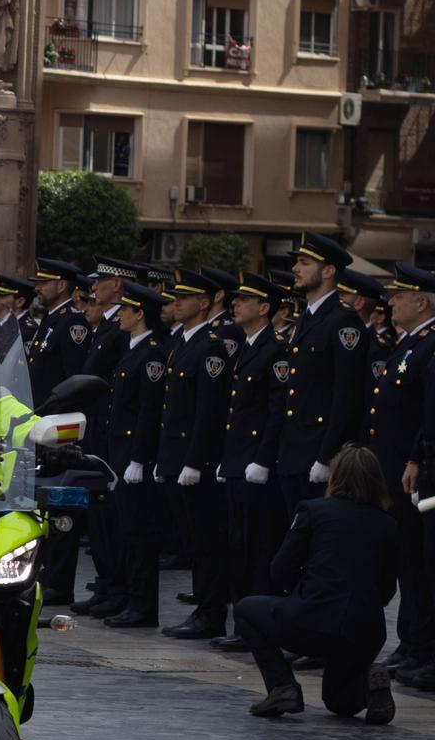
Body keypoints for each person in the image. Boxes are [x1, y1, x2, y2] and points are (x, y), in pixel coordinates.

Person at [236, 446, 398, 722]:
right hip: (363, 632)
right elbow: (386, 590)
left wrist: (300, 592)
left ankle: (282, 687)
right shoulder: (388, 524)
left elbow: (279, 569)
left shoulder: (314, 510)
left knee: (246, 609)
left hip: (311, 618)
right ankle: (369, 686)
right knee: (340, 704)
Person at [208, 273, 288, 648]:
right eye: (236, 299)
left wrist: (262, 460)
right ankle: (243, 623)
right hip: (239, 460)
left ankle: (254, 627)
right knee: (238, 545)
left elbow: (275, 413)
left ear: (264, 308)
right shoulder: (249, 345)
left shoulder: (274, 350)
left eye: (245, 300)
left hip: (256, 466)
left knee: (257, 548)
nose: (236, 304)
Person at [152, 271, 232, 640]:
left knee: (206, 541)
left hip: (193, 460)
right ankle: (204, 606)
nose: (176, 303)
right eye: (175, 298)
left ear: (204, 303)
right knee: (193, 540)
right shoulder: (181, 343)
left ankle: (210, 612)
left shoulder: (211, 346)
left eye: (185, 298)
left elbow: (208, 411)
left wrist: (194, 461)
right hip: (175, 455)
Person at [367, 265, 435, 683]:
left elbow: (425, 416)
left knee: (420, 562)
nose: (390, 302)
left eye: (400, 295)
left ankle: (422, 646)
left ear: (422, 302)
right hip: (397, 468)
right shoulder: (409, 345)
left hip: (417, 471)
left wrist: (416, 459)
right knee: (409, 561)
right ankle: (411, 643)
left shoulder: (427, 346)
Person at [274, 233, 368, 513]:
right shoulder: (307, 318)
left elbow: (346, 394)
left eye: (304, 262)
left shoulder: (343, 321)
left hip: (319, 450)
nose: (295, 269)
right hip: (294, 448)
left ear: (328, 271)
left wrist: (328, 456)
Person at [98, 282, 168, 629]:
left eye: (126, 309)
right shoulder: (132, 348)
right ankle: (129, 598)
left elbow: (148, 411)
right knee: (125, 529)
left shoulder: (151, 353)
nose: (120, 314)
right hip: (120, 451)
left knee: (139, 533)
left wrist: (139, 458)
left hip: (133, 455)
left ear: (140, 314)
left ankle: (143, 605)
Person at [27, 259, 93, 606]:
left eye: (45, 281)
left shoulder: (71, 326)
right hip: (39, 428)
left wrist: (65, 433)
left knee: (60, 506)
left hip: (58, 431)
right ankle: (46, 572)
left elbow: (73, 381)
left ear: (62, 286)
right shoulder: (50, 322)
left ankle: (60, 581)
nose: (38, 287)